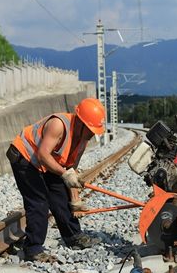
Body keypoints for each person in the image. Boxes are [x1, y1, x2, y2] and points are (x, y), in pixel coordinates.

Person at [6, 98, 105, 261]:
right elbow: (43, 154)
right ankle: (33, 249)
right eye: (90, 129)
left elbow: (70, 170)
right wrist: (65, 174)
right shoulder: (58, 124)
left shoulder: (82, 141)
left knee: (60, 196)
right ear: (80, 122)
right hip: (25, 157)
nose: (92, 134)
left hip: (46, 163)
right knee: (38, 201)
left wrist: (75, 199)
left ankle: (73, 237)